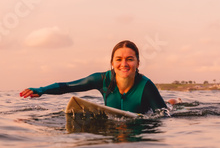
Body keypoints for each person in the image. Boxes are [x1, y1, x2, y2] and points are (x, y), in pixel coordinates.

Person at [20, 40, 169, 114]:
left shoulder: (146, 86)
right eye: (119, 59)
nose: (124, 64)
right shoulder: (102, 80)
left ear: (138, 63)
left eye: (130, 59)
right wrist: (41, 90)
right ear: (112, 63)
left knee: (168, 106)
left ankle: (172, 101)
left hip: (142, 117)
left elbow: (164, 116)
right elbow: (68, 86)